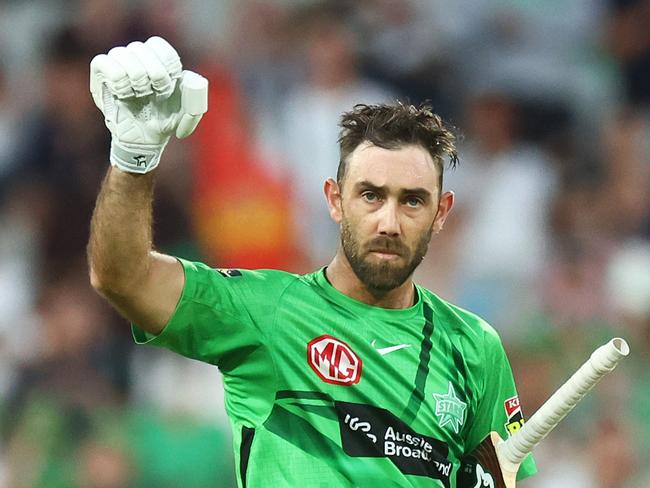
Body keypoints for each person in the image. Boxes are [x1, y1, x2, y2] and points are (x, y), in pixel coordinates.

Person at [87, 37, 536, 488]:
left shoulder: (475, 347)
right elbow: (122, 277)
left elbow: (508, 479)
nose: (389, 222)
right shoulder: (266, 311)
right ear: (335, 200)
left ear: (441, 213)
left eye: (413, 201)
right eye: (371, 195)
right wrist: (134, 158)